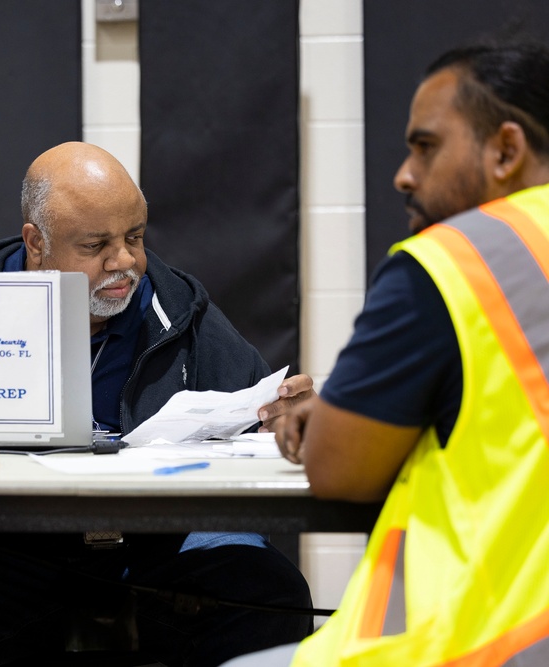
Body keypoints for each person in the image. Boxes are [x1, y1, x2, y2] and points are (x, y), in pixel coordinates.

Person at [0, 141, 316, 666]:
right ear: (36, 244)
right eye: (97, 246)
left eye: (135, 237)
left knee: (269, 594)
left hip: (155, 553)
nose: (126, 262)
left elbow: (264, 408)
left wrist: (287, 417)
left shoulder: (177, 308)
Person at [227, 40, 549, 666]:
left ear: (505, 150)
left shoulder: (453, 262)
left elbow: (338, 469)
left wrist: (341, 411)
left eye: (425, 147)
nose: (405, 173)